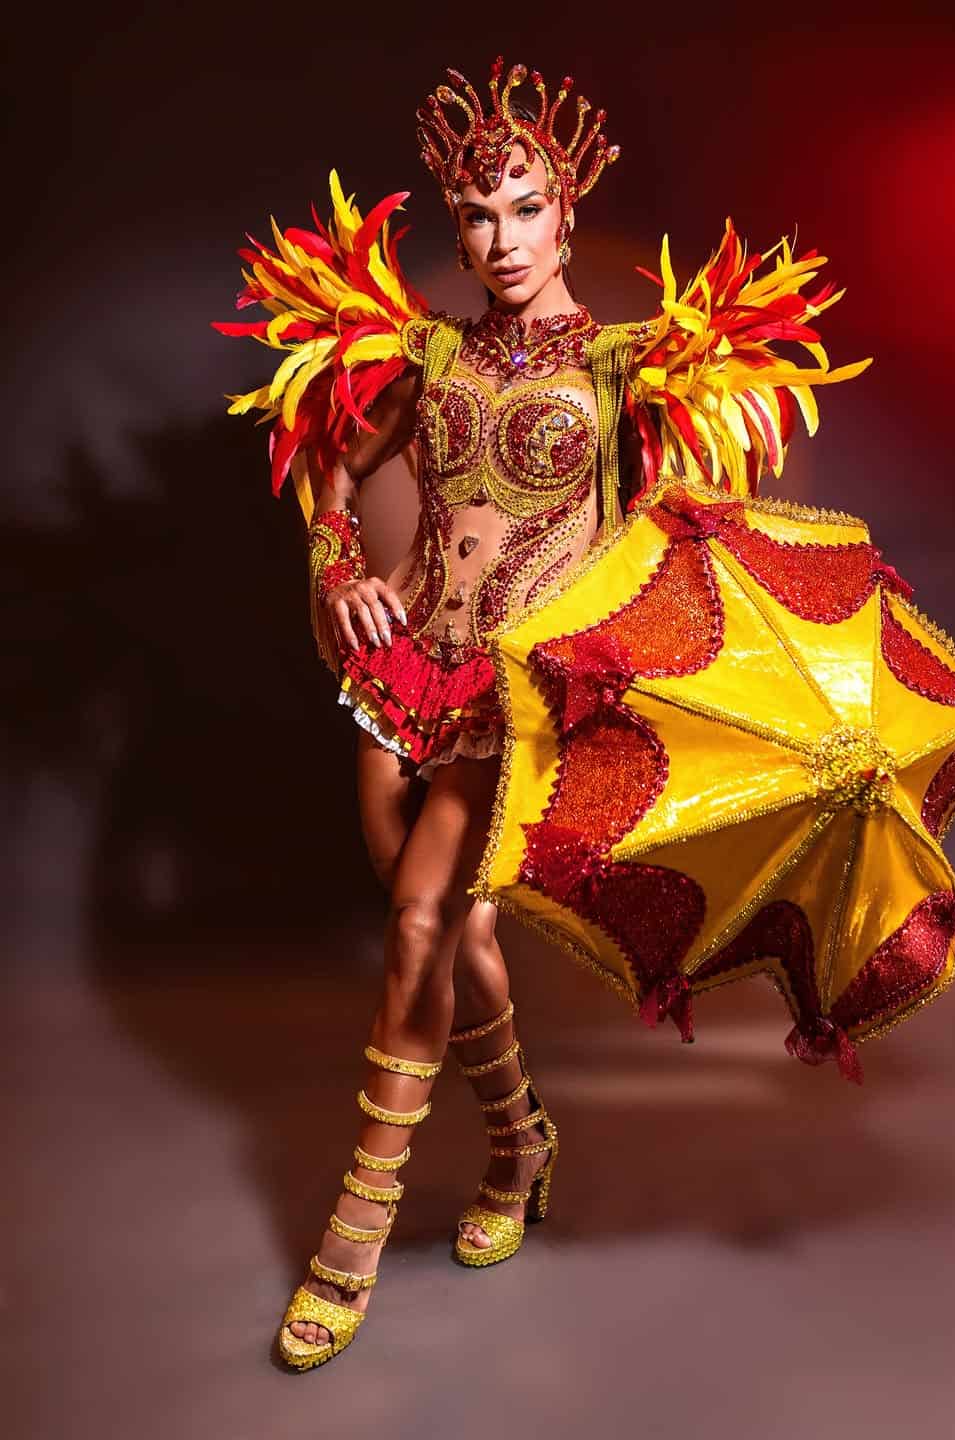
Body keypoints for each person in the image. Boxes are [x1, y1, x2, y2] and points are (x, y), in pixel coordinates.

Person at [214, 56, 869, 1371]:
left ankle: (352, 1232)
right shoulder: (429, 351)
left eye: (526, 209)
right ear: (458, 232)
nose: (503, 239)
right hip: (405, 672)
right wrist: (340, 571)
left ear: (568, 215)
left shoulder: (629, 370)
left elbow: (685, 544)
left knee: (417, 922)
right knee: (458, 938)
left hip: (517, 703)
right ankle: (520, 1144)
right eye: (479, 216)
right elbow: (334, 470)